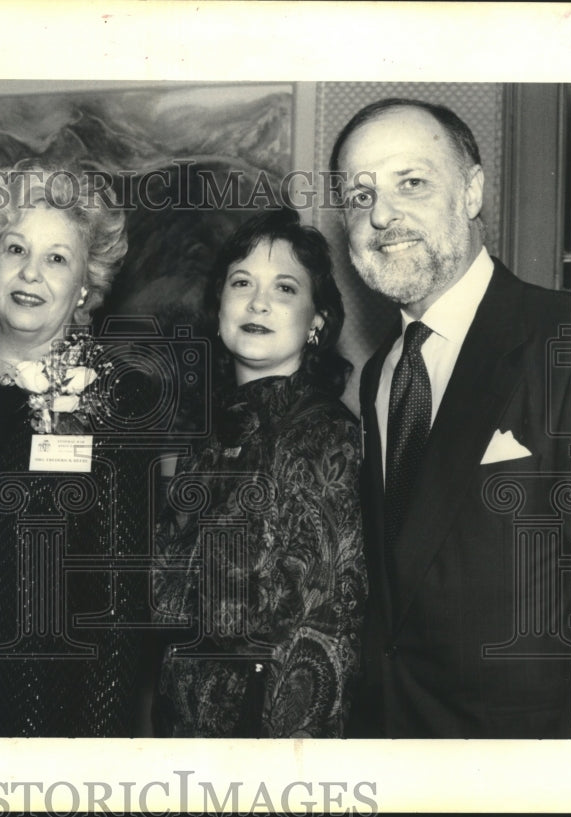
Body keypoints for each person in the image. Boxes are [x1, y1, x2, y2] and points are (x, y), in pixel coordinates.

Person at [331, 98, 571, 738]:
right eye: (359, 197)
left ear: (471, 192)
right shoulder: (378, 374)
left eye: (411, 182)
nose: (382, 214)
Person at [0, 161, 149, 736]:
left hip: (43, 711)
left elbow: (119, 609)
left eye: (57, 258)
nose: (30, 273)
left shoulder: (117, 401)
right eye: (15, 249)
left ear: (86, 285)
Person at [151, 208, 366, 738]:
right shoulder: (210, 434)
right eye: (241, 282)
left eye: (285, 288)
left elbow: (323, 641)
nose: (258, 302)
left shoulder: (325, 437)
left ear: (317, 322)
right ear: (219, 305)